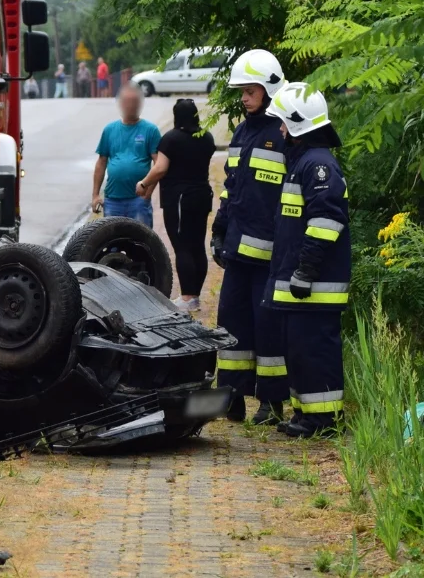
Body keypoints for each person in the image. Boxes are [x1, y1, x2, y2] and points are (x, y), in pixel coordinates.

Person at [263, 83, 349, 437]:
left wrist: (306, 269)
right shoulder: (303, 162)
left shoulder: (318, 167)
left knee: (314, 353)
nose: (280, 130)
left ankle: (324, 421)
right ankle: (305, 416)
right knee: (299, 352)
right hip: (302, 285)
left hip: (315, 285)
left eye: (284, 123)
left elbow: (327, 221)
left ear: (298, 125)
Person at [210, 49, 289, 425]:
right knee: (231, 324)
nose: (243, 98)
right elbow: (231, 187)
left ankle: (271, 403)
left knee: (267, 328)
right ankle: (232, 396)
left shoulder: (285, 134)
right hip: (238, 250)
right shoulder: (242, 132)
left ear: (270, 89)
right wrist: (220, 228)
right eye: (242, 91)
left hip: (271, 254)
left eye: (250, 91)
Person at [135, 99, 216, 312]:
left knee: (182, 246)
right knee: (198, 244)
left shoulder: (171, 139)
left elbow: (160, 168)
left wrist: (144, 183)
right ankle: (195, 296)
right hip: (202, 195)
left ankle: (188, 297)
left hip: (180, 199)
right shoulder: (206, 137)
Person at [91, 86, 161, 227]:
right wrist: (95, 195)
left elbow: (159, 165)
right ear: (121, 104)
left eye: (134, 102)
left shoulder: (150, 130)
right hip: (112, 199)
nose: (131, 106)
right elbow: (101, 162)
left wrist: (148, 193)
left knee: (141, 243)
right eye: (127, 102)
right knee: (112, 242)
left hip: (138, 200)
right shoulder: (110, 130)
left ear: (140, 104)